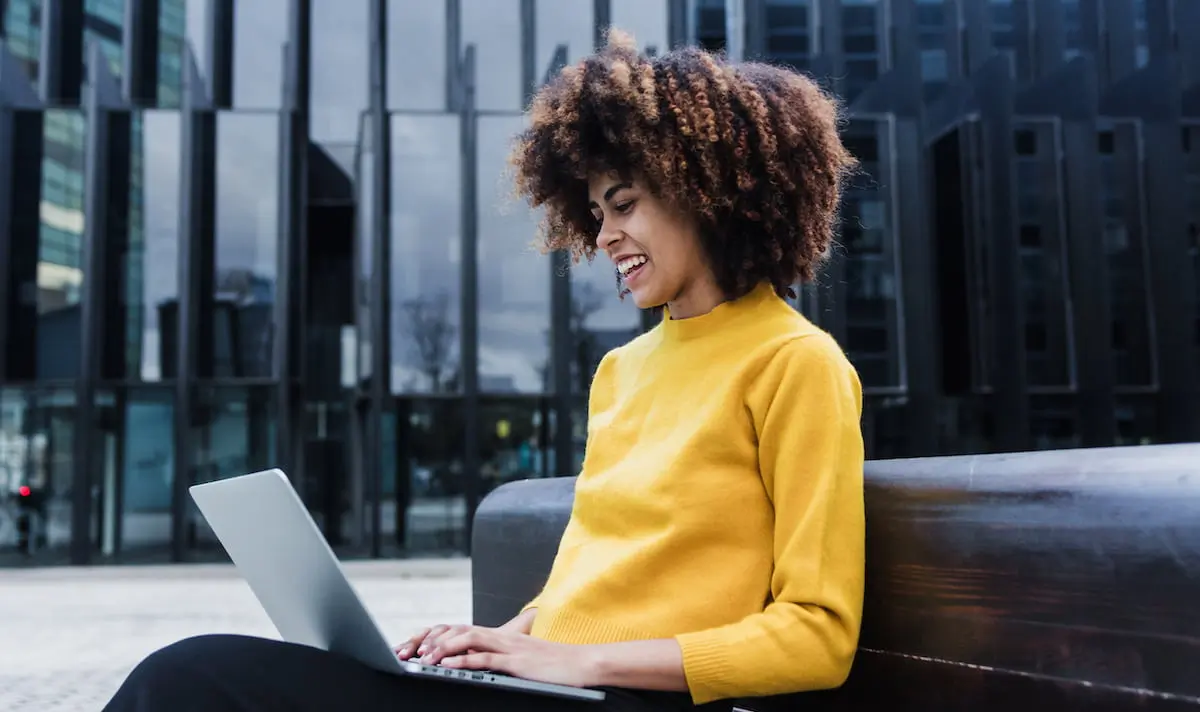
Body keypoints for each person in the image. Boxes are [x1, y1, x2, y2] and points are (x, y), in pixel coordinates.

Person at [102, 29, 864, 712]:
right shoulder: (622, 371)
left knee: (191, 680)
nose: (605, 236)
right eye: (596, 213)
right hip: (552, 686)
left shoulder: (794, 363)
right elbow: (590, 580)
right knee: (191, 676)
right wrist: (492, 643)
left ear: (710, 190)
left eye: (624, 204)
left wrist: (570, 660)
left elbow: (816, 638)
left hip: (628, 697)